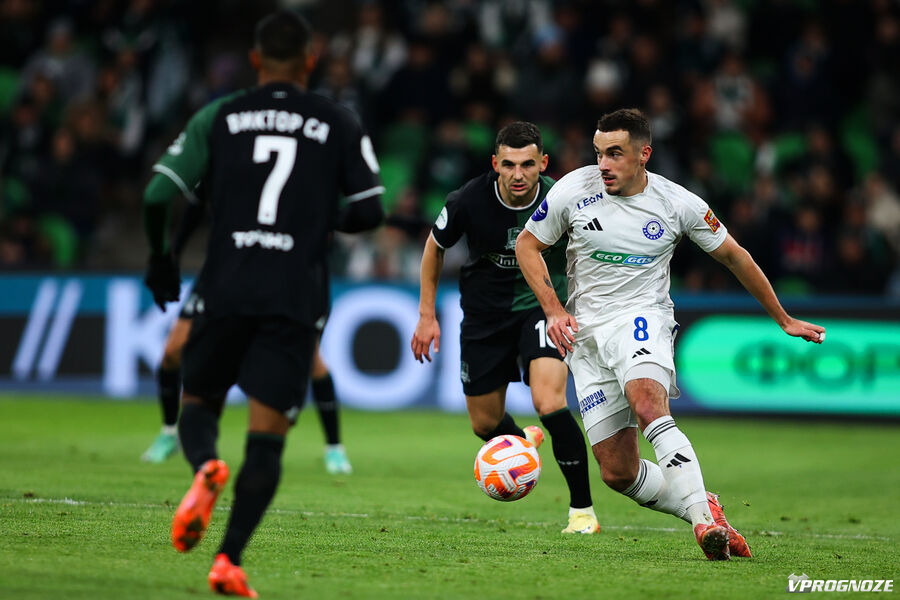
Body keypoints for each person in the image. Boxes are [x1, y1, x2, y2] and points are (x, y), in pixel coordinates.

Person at [142, 10, 383, 597]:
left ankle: (204, 465)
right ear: (310, 60)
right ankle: (228, 559)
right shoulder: (337, 119)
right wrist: (318, 217)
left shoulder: (220, 116)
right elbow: (370, 210)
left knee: (199, 402)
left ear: (254, 60)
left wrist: (161, 259)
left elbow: (156, 194)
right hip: (294, 292)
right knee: (267, 437)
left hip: (225, 283)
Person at [516, 108, 826, 560]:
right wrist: (553, 309)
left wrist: (783, 319)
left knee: (647, 403)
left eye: (615, 154)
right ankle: (704, 505)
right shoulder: (572, 190)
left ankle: (702, 525)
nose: (603, 164)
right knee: (617, 472)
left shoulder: (678, 204)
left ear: (644, 154)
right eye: (598, 153)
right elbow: (528, 245)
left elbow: (735, 256)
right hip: (587, 337)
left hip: (642, 318)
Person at [411, 121, 599, 535]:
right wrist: (426, 315)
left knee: (549, 402)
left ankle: (582, 512)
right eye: (509, 164)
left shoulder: (562, 198)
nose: (518, 174)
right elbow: (434, 248)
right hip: (484, 315)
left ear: (543, 163)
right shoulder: (467, 200)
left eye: (527, 165)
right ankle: (524, 446)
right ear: (495, 163)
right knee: (484, 424)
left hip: (542, 308)